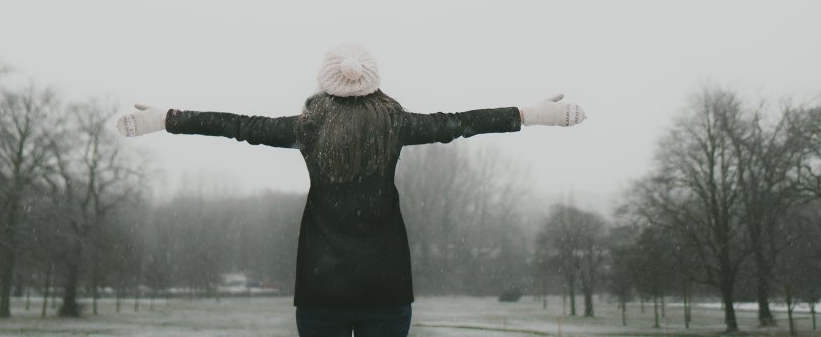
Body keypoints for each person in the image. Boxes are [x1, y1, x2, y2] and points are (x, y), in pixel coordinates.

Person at [115, 43, 585, 337]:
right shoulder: (395, 123)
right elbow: (460, 124)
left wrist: (166, 119)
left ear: (326, 84)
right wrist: (531, 114)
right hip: (388, 286)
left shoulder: (308, 127)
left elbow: (236, 126)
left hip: (322, 290)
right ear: (373, 83)